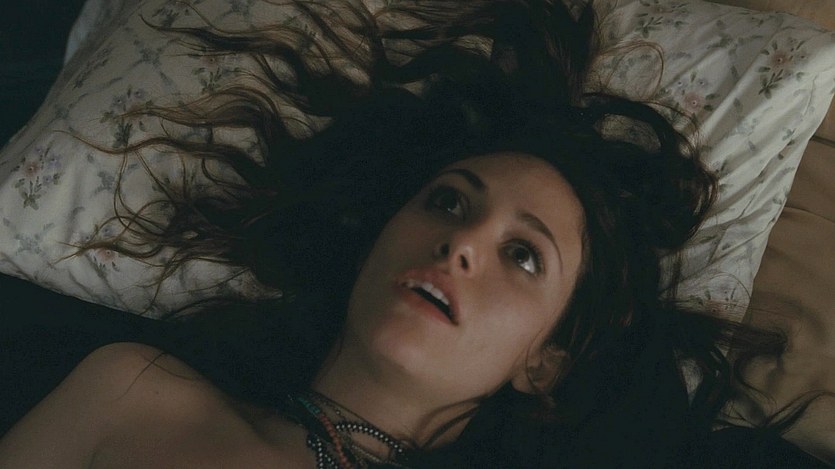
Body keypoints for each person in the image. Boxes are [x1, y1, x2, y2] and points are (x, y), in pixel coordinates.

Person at [0, 1, 824, 467]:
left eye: (522, 254)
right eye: (448, 202)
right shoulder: (130, 389)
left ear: (543, 361)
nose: (460, 244)